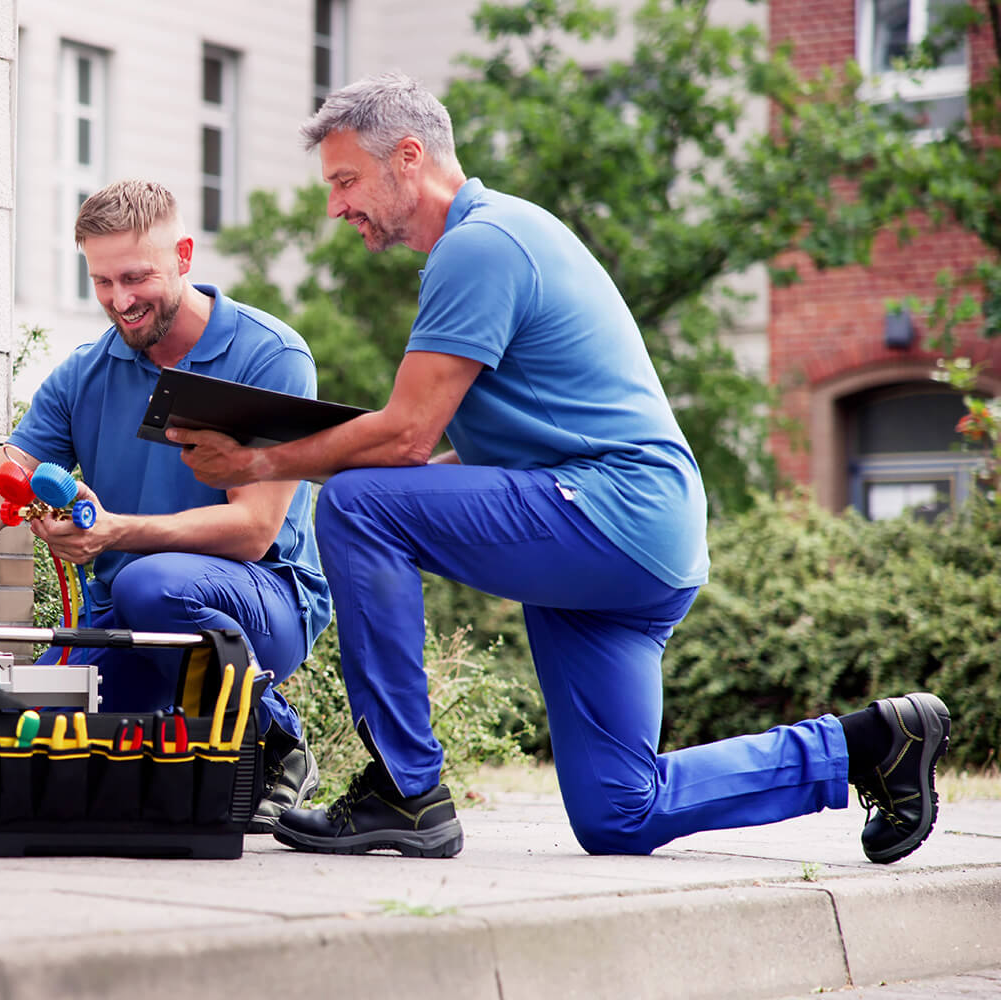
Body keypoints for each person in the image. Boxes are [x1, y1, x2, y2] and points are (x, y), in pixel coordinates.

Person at [169, 73, 952, 862]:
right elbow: (453, 454)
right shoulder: (502, 236)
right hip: (634, 538)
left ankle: (403, 790)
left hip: (609, 512)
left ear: (409, 157)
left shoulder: (480, 246)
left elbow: (404, 438)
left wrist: (260, 459)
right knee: (619, 812)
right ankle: (868, 746)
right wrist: (397, 486)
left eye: (345, 181)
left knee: (358, 504)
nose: (337, 206)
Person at [0, 179, 333, 831]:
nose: (119, 301)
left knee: (152, 582)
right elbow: (3, 478)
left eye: (135, 277)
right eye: (101, 282)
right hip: (125, 613)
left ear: (183, 254)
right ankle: (191, 743)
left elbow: (255, 530)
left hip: (261, 602)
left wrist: (113, 530)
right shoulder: (83, 375)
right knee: (19, 737)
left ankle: (275, 739)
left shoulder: (268, 356)